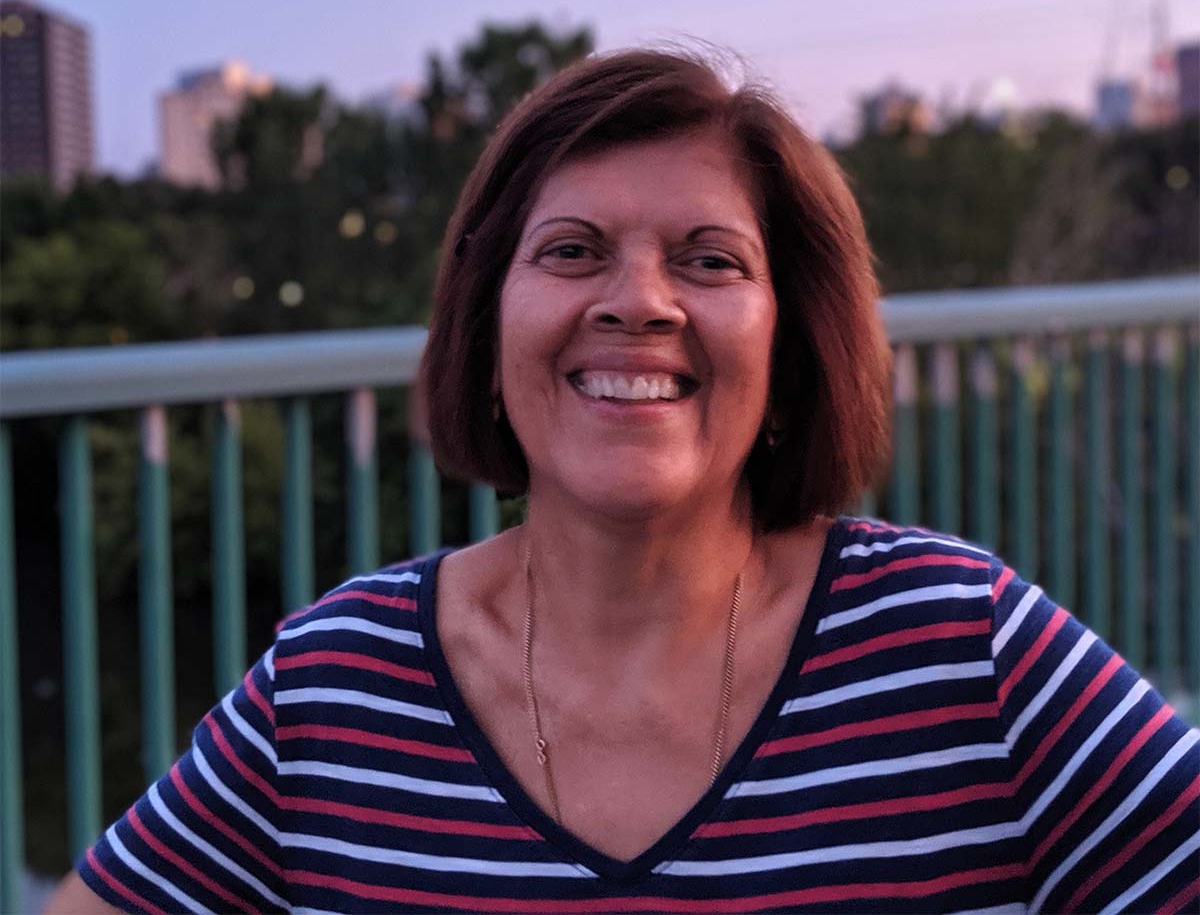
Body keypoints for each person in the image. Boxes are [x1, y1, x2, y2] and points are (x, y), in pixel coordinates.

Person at [52, 48, 1198, 914]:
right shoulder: (334, 689)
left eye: (709, 260)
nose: (638, 301)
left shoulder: (963, 651)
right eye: (571, 251)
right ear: (488, 323)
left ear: (791, 343)